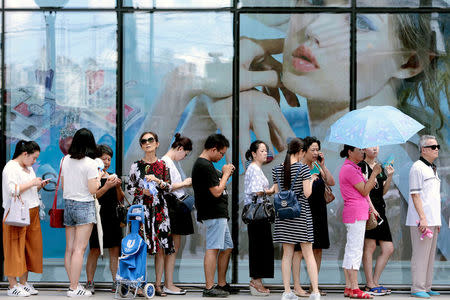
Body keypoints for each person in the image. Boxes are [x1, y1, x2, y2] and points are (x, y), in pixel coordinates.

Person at [126, 131, 174, 297]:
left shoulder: (163, 165)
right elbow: (130, 187)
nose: (147, 143)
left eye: (150, 140)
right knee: (141, 247)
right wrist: (142, 191)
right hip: (141, 210)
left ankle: (158, 284)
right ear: (141, 145)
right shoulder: (136, 165)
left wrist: (158, 181)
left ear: (157, 143)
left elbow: (169, 187)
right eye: (144, 141)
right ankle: (138, 283)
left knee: (160, 247)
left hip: (160, 209)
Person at [272, 137, 320, 300]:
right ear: (300, 152)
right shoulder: (303, 169)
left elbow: (277, 193)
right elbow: (307, 193)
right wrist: (312, 180)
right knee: (308, 253)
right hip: (301, 215)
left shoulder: (277, 169)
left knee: (287, 254)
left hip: (284, 216)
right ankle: (315, 292)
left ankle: (287, 291)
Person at [191, 133, 237, 298]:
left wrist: (224, 174)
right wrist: (224, 174)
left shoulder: (206, 165)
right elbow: (217, 191)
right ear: (213, 149)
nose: (221, 157)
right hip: (213, 213)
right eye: (221, 153)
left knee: (227, 247)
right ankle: (209, 287)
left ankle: (221, 283)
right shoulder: (203, 165)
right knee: (213, 249)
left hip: (218, 214)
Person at [2, 140, 47, 297]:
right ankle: (12, 285)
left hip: (31, 209)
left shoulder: (27, 168)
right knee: (14, 248)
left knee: (29, 248)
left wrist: (38, 185)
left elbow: (27, 187)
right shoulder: (11, 167)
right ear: (25, 154)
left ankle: (23, 283)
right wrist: (31, 183)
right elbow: (12, 190)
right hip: (16, 212)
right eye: (33, 158)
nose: (35, 161)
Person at [291, 136, 335, 297]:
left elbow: (331, 182)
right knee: (299, 250)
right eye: (313, 150)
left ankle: (313, 284)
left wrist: (323, 166)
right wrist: (311, 178)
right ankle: (296, 286)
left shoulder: (317, 165)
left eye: (318, 149)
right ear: (305, 151)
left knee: (317, 249)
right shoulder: (299, 167)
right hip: (303, 211)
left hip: (319, 211)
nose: (316, 153)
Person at [61, 128, 101, 297]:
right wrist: (99, 178)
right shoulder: (91, 163)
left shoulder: (65, 159)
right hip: (84, 205)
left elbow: (63, 185)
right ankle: (74, 287)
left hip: (68, 204)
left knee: (70, 248)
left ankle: (73, 284)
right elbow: (93, 189)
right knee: (79, 249)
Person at [339, 144, 381, 300]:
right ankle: (355, 288)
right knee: (355, 250)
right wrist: (374, 173)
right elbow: (364, 190)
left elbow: (363, 192)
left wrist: (371, 207)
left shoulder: (352, 167)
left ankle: (350, 287)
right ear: (350, 152)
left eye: (363, 149)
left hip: (356, 212)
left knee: (351, 249)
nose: (363, 152)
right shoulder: (350, 169)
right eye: (359, 150)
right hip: (355, 213)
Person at [406, 135, 441, 299]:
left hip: (432, 219)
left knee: (429, 255)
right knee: (420, 255)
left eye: (437, 146)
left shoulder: (433, 168)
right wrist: (423, 218)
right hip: (421, 220)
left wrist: (437, 220)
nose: (437, 149)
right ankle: (417, 287)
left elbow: (433, 197)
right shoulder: (417, 168)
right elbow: (415, 196)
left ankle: (426, 286)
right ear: (424, 149)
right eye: (433, 147)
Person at [85, 144, 124, 294]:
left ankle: (116, 282)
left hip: (113, 218)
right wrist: (107, 186)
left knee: (115, 250)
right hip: (97, 217)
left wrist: (118, 187)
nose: (107, 162)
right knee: (95, 249)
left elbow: (120, 200)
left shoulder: (112, 176)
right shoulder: (93, 176)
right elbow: (93, 196)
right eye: (104, 159)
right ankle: (89, 282)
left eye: (109, 159)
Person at [161, 133, 195, 295]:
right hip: (173, 206)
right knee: (172, 248)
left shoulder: (171, 162)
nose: (183, 157)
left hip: (175, 206)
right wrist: (185, 183)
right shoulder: (166, 162)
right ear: (180, 149)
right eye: (185, 154)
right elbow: (166, 186)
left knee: (173, 247)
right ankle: (168, 283)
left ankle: (168, 282)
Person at [358, 146, 395, 296]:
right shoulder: (361, 166)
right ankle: (369, 284)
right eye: (371, 146)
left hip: (380, 210)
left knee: (388, 248)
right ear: (364, 149)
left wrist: (390, 176)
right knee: (370, 246)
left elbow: (383, 192)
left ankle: (375, 281)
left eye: (377, 146)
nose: (375, 149)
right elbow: (363, 190)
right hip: (368, 209)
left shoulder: (379, 166)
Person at [244, 140, 275, 296]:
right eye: (262, 151)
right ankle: (256, 281)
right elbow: (257, 192)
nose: (265, 153)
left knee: (261, 247)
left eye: (266, 150)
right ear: (254, 153)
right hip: (257, 215)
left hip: (258, 215)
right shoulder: (254, 169)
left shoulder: (256, 168)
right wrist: (271, 191)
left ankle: (258, 280)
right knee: (259, 247)